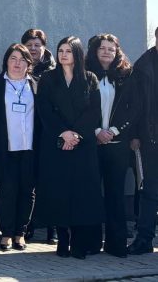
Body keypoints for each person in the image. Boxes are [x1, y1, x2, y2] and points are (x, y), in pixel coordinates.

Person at [35, 36, 103, 259]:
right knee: (59, 191)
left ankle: (79, 241)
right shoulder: (48, 78)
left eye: (68, 51)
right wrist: (63, 133)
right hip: (56, 144)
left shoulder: (90, 78)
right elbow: (44, 109)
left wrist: (75, 134)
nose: (63, 55)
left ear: (77, 54)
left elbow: (94, 111)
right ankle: (62, 239)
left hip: (82, 146)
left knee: (82, 193)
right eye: (60, 50)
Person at [84, 34, 135, 257]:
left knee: (116, 195)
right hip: (92, 144)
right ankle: (91, 242)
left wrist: (114, 131)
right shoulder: (85, 75)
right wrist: (96, 131)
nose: (106, 52)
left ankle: (116, 244)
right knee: (92, 194)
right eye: (102, 48)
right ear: (95, 51)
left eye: (111, 49)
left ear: (117, 52)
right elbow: (80, 108)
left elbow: (134, 109)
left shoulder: (126, 77)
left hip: (117, 145)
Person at [0, 44, 38, 252]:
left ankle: (20, 233)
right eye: (13, 58)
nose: (17, 63)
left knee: (28, 191)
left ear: (28, 63)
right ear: (6, 61)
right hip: (5, 148)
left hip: (30, 148)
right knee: (7, 191)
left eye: (22, 59)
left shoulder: (36, 85)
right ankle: (6, 234)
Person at [21, 28, 57, 244]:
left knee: (51, 181)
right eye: (29, 45)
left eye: (37, 45)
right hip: (27, 132)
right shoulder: (18, 67)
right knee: (29, 181)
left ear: (44, 47)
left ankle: (53, 229)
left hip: (49, 131)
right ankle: (28, 225)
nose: (33, 49)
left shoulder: (54, 70)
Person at [127, 27, 158, 255]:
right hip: (151, 137)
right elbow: (135, 106)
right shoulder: (143, 66)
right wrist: (135, 134)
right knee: (150, 190)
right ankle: (144, 239)